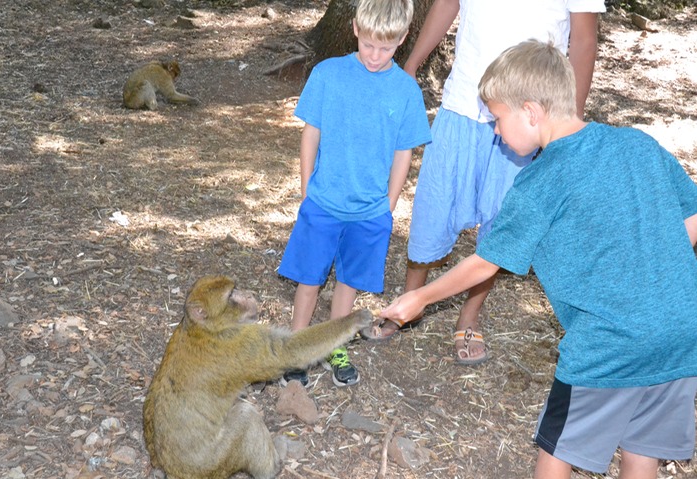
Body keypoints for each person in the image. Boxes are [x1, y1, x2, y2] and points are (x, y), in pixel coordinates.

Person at [379, 39, 697, 479]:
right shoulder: (637, 144)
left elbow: (485, 262)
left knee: (557, 448)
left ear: (531, 112)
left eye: (497, 119)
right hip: (680, 328)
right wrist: (644, 261)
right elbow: (691, 218)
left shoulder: (540, 183)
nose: (494, 131)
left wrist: (421, 299)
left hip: (608, 342)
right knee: (642, 446)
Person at [361, 0, 606, 366]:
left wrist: (568, 125)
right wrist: (412, 63)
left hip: (529, 115)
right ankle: (409, 300)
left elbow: (584, 41)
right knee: (434, 203)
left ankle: (470, 316)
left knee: (500, 220)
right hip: (463, 99)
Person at [277, 0, 432, 387]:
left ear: (402, 40)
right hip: (324, 202)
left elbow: (404, 152)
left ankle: (335, 346)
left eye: (388, 47)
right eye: (369, 45)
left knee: (348, 283)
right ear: (356, 31)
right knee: (309, 279)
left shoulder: (405, 91)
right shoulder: (328, 75)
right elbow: (310, 134)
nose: (376, 56)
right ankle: (297, 347)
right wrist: (305, 189)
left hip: (369, 211)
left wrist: (390, 204)